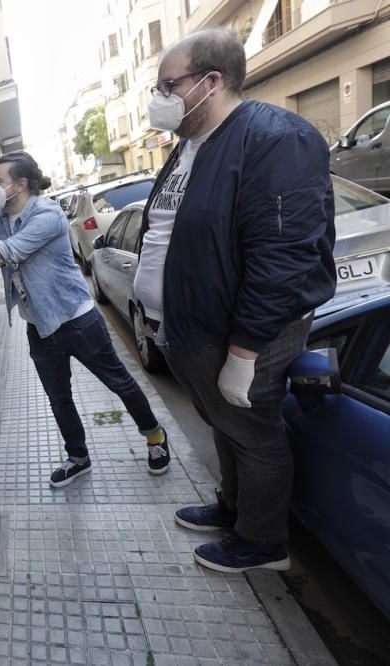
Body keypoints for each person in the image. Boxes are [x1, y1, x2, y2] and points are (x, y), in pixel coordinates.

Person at [134, 29, 336, 573]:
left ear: (211, 81)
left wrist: (244, 354)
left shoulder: (274, 138)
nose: (159, 96)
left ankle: (261, 542)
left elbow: (282, 257)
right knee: (224, 425)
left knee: (254, 432)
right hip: (193, 325)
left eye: (167, 85)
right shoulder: (191, 145)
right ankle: (233, 508)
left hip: (241, 331)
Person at [0, 151, 170, 487]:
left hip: (77, 320)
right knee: (59, 398)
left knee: (120, 384)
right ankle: (78, 457)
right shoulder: (1, 218)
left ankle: (155, 436)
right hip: (39, 328)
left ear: (20, 184)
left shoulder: (47, 215)